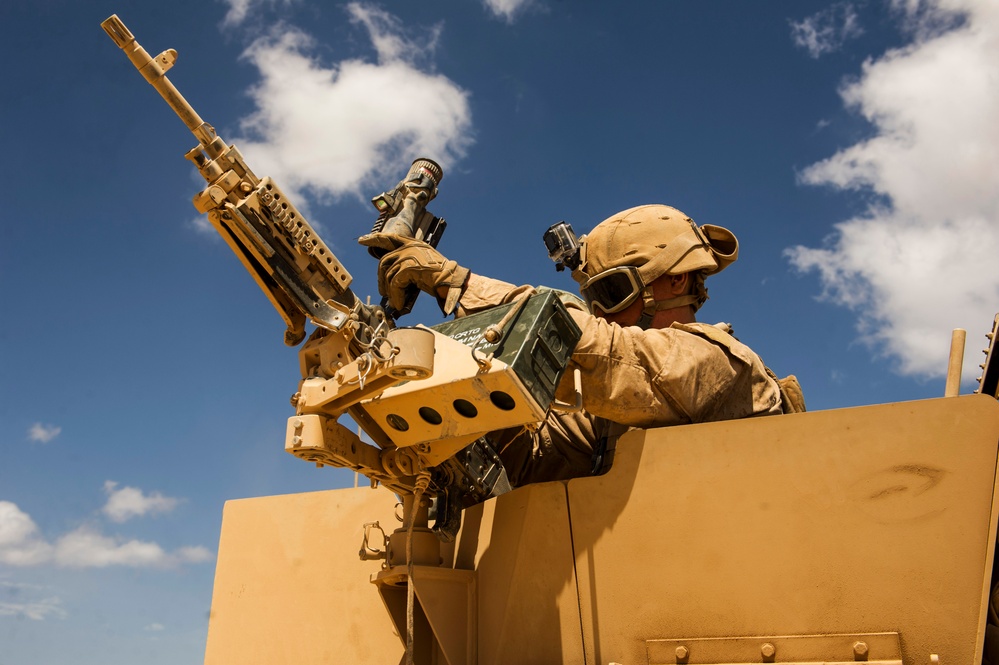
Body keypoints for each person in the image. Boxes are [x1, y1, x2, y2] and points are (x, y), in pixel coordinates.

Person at [360, 204, 803, 487]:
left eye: (611, 294)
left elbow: (603, 352)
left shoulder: (720, 364)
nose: (602, 313)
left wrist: (457, 283)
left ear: (675, 279)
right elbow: (533, 461)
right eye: (593, 301)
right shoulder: (610, 414)